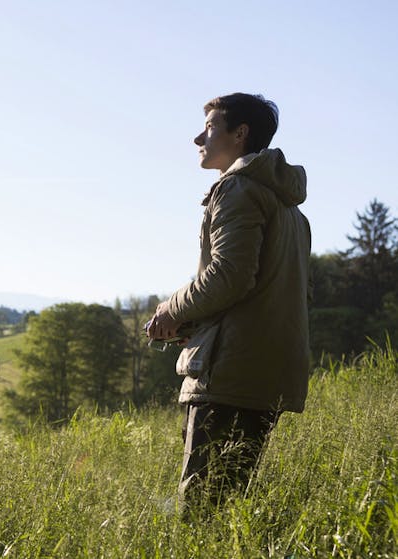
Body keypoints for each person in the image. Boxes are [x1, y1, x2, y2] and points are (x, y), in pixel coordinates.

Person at [146, 93, 311, 516]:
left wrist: (171, 310)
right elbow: (256, 290)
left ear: (240, 134)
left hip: (230, 371)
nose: (198, 137)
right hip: (265, 370)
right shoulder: (288, 206)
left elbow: (230, 276)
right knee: (229, 507)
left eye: (211, 127)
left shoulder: (237, 188)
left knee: (199, 511)